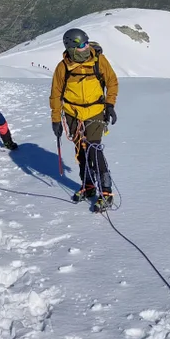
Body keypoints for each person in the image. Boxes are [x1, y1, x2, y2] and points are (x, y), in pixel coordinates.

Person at [49, 27, 119, 211]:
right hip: (73, 114)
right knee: (81, 150)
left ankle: (106, 191)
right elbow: (55, 94)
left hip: (95, 111)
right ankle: (88, 185)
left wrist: (110, 105)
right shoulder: (63, 67)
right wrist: (56, 119)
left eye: (86, 43)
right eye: (81, 45)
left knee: (94, 149)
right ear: (71, 48)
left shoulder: (98, 60)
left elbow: (111, 81)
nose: (85, 47)